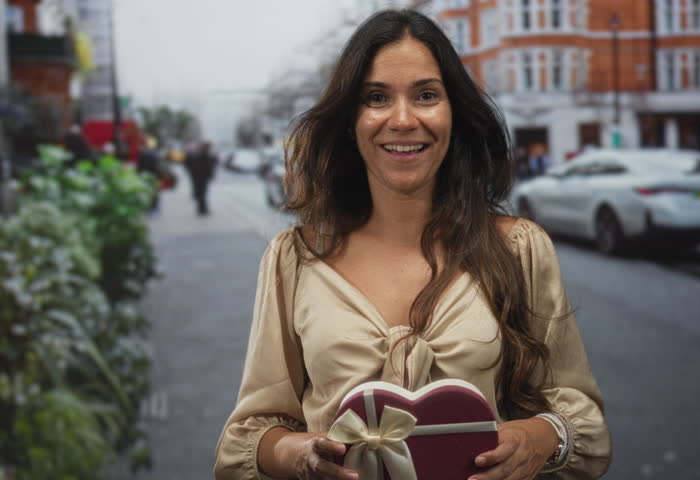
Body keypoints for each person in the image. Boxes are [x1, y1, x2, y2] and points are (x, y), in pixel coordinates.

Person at [215, 9, 610, 480]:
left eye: (426, 95)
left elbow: (586, 425)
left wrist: (539, 439)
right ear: (350, 121)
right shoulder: (294, 258)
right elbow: (245, 437)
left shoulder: (519, 248)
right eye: (376, 98)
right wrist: (296, 455)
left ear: (454, 114)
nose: (402, 120)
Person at [184, 141, 216, 215]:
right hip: (200, 176)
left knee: (201, 192)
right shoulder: (202, 155)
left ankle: (201, 208)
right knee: (202, 192)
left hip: (198, 176)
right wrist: (210, 175)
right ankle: (202, 208)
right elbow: (207, 166)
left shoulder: (200, 154)